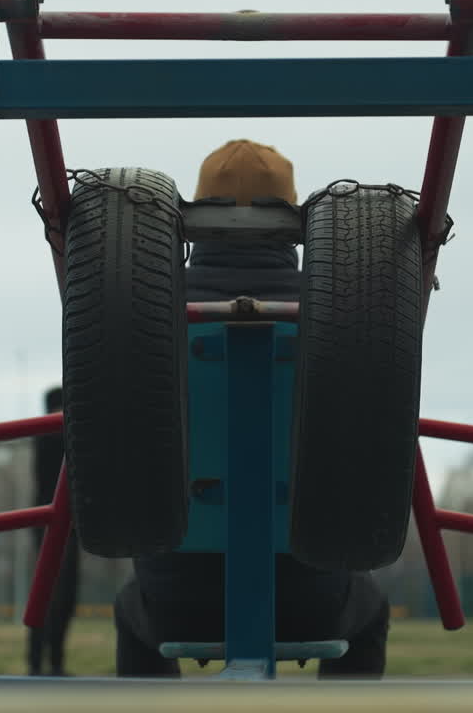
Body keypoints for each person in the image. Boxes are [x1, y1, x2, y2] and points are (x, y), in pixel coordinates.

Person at [112, 140, 391, 679]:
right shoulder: (348, 322)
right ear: (295, 223)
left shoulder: (139, 317)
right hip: (312, 595)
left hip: (176, 600)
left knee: (132, 606)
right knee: (370, 606)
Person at [27, 386, 80, 677]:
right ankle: (42, 663)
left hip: (62, 522)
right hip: (52, 521)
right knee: (52, 595)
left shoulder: (48, 432)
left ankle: (48, 662)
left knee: (58, 595)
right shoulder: (53, 432)